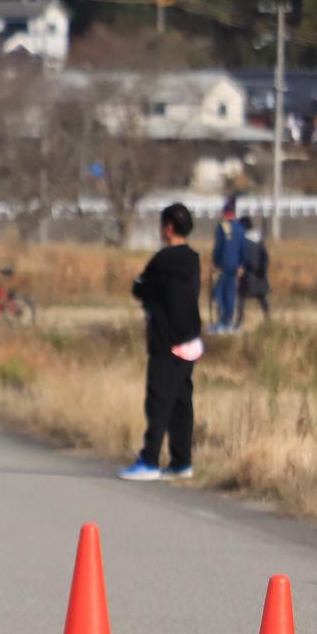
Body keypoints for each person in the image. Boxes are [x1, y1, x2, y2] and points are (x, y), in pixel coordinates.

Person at [121, 203, 203, 482]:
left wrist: (140, 282)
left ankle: (149, 460)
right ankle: (181, 461)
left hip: (166, 341)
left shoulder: (163, 260)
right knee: (181, 403)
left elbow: (141, 288)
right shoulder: (192, 260)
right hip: (190, 341)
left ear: (168, 227)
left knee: (158, 402)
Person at [209, 197, 246, 334]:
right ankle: (229, 322)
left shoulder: (222, 227)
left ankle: (221, 323)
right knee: (231, 295)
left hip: (222, 266)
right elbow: (243, 248)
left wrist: (215, 263)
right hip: (235, 267)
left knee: (219, 294)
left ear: (224, 213)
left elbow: (218, 247)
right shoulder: (240, 228)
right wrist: (241, 265)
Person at [240, 216, 270, 325]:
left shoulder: (244, 240)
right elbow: (265, 256)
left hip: (248, 274)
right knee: (261, 297)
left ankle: (240, 320)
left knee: (241, 297)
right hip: (260, 274)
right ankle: (268, 317)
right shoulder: (259, 239)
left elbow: (244, 257)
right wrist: (263, 269)